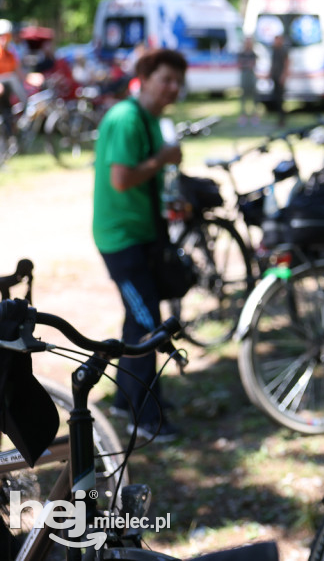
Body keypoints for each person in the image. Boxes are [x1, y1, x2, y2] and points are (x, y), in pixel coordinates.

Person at [92, 48, 187, 441]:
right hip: (121, 241)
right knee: (148, 325)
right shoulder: (126, 118)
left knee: (138, 318)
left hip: (142, 234)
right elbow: (121, 179)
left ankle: (124, 397)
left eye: (179, 82)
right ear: (144, 79)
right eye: (166, 79)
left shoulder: (151, 118)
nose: (174, 88)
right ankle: (143, 419)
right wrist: (162, 159)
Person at [267, 33, 289, 126]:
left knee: (280, 99)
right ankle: (279, 118)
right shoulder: (274, 50)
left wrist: (283, 75)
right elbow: (272, 63)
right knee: (275, 98)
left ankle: (282, 119)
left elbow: (287, 63)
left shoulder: (283, 50)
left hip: (280, 77)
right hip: (275, 76)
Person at [238, 36, 258, 126]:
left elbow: (252, 64)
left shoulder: (253, 53)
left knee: (253, 96)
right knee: (243, 96)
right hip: (244, 76)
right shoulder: (241, 53)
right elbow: (240, 64)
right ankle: (243, 115)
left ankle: (254, 115)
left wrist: (246, 65)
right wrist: (246, 65)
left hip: (251, 76)